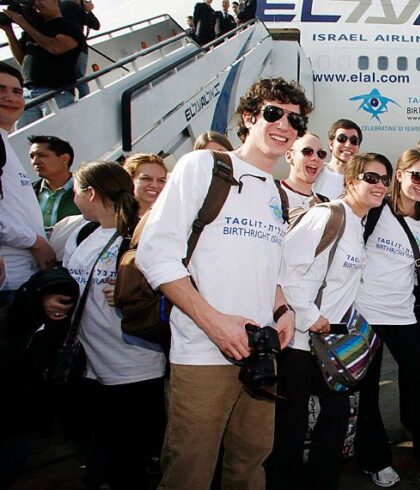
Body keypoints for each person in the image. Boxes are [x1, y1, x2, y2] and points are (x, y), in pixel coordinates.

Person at [137, 77, 310, 488]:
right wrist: (215, 324)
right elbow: (154, 255)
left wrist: (283, 309)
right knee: (189, 471)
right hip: (203, 353)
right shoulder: (205, 167)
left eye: (294, 120)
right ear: (249, 117)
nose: (284, 124)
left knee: (250, 466)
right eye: (273, 113)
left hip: (260, 354)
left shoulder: (276, 191)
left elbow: (265, 269)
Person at [267, 153, 389, 490]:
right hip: (300, 346)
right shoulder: (328, 216)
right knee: (290, 429)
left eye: (384, 179)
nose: (379, 185)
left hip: (329, 345)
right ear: (350, 182)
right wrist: (310, 317)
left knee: (335, 421)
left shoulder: (358, 222)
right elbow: (285, 270)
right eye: (371, 177)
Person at [43, 160, 167, 489]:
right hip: (87, 366)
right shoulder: (81, 233)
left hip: (135, 367)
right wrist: (52, 300)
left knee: (132, 460)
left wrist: (135, 295)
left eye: (76, 191)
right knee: (100, 453)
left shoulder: (142, 236)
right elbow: (68, 284)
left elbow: (171, 288)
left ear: (91, 193)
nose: (75, 198)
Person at [355, 149, 420, 488]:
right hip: (365, 313)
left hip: (403, 313)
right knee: (367, 394)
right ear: (399, 175)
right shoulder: (372, 211)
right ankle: (375, 460)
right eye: (416, 176)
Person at [0, 62, 53, 488]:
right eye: (1, 88)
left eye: (17, 89)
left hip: (16, 287)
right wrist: (35, 242)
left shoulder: (6, 142)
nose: (12, 96)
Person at [2, 0, 86, 128]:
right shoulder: (32, 31)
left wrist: (23, 23)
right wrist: (8, 31)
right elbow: (22, 59)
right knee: (24, 141)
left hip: (56, 92)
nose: (37, 4)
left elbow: (55, 48)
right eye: (34, 2)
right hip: (28, 94)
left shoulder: (69, 27)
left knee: (54, 136)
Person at [28, 134, 78, 233]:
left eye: (42, 155)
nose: (35, 161)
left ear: (64, 159)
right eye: (32, 156)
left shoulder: (88, 191)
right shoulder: (27, 192)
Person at [60, 0, 99, 98]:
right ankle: (86, 100)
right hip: (79, 49)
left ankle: (85, 99)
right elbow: (95, 24)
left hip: (70, 50)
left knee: (75, 79)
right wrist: (88, 11)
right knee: (79, 78)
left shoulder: (63, 5)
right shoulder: (71, 5)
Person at [314, 119, 361, 200]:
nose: (348, 145)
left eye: (354, 141)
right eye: (342, 139)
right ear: (331, 144)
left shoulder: (363, 181)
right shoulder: (314, 172)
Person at [279, 132, 328, 209]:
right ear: (289, 157)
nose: (315, 158)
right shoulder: (272, 192)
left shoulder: (324, 204)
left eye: (321, 153)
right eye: (307, 151)